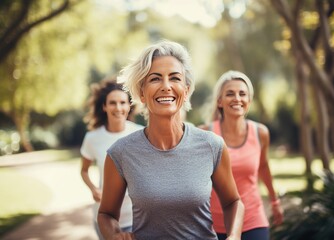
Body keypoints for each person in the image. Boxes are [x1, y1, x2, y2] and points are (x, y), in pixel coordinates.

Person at [97, 40, 245, 240]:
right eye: (155, 79)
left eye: (174, 78)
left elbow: (233, 202)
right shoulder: (120, 153)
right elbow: (106, 214)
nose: (166, 86)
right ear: (142, 91)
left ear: (186, 89)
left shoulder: (212, 145)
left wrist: (234, 236)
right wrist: (114, 235)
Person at [199, 70, 284, 240]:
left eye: (242, 94)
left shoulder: (260, 133)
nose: (237, 98)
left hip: (253, 220)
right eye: (230, 94)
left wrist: (275, 202)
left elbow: (264, 167)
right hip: (213, 224)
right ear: (220, 102)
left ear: (248, 101)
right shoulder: (204, 134)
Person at [80, 77, 143, 239]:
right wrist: (93, 189)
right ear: (104, 106)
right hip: (105, 218)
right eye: (112, 103)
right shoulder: (92, 138)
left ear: (129, 106)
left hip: (137, 218)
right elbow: (84, 171)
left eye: (123, 102)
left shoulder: (142, 134)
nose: (118, 107)